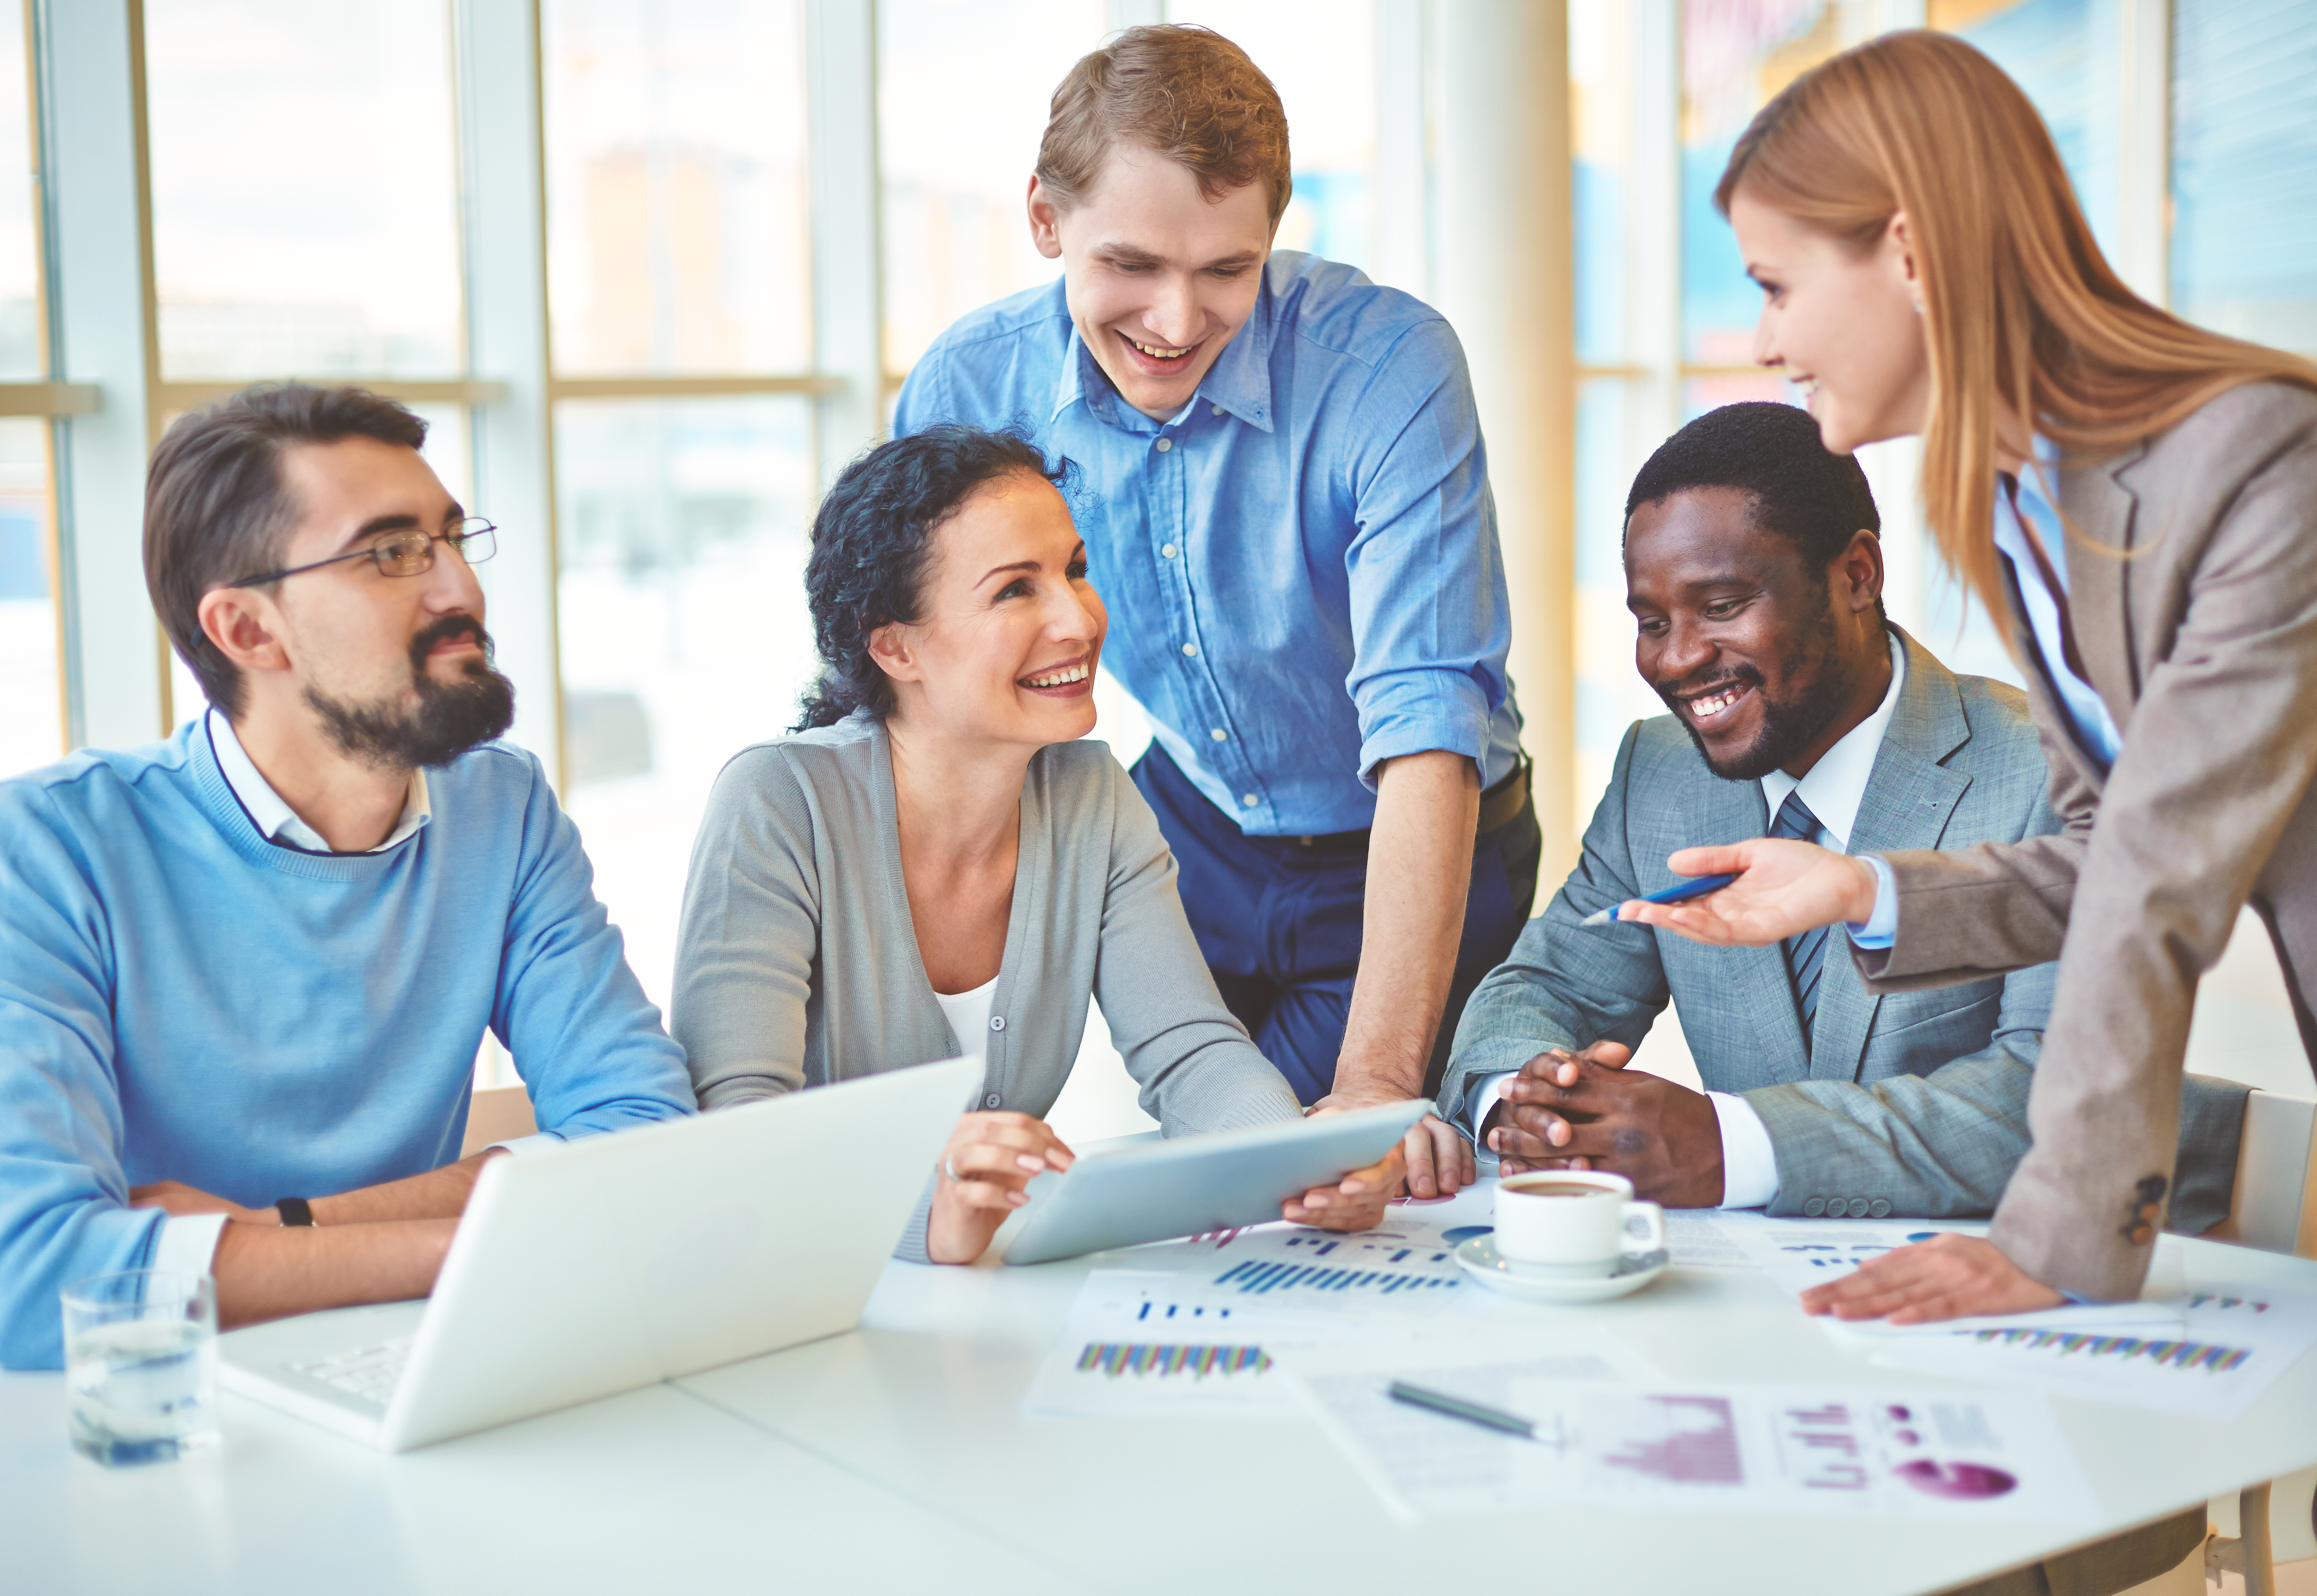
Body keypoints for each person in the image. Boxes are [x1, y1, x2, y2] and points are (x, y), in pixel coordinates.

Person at [1609, 33, 2317, 1589]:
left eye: (1775, 282)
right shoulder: (2032, 500)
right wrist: (1863, 894)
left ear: (1906, 248)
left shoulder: (2271, 461)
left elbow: (2168, 878)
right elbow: (2112, 846)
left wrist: (2051, 1237)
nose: (1765, 339)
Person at [890, 25, 1536, 1199]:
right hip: (1191, 833)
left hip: (1414, 841)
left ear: (1273, 241)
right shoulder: (967, 389)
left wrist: (1379, 1083)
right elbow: (923, 705)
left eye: (1227, 271)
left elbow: (1425, 724)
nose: (1178, 321)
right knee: (1208, 1183)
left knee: (1326, 1183)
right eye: (1132, 264)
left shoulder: (1390, 367)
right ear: (1046, 219)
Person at [0, 383, 696, 1371]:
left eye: (453, 538)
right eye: (391, 554)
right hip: (167, 1414)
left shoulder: (501, 810)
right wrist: (458, 1247)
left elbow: (648, 1134)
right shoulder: (50, 848)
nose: (461, 589)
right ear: (247, 630)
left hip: (421, 1378)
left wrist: (285, 1230)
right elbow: (33, 1279)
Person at [1439, 402, 2250, 1230]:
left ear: (1859, 575)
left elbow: (2054, 1091)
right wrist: (1527, 1103)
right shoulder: (1661, 771)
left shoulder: (2048, 769)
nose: (1677, 657)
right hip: (1774, 1298)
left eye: (1721, 606)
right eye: (1651, 622)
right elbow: (1549, 984)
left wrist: (1731, 1144)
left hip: (2028, 1276)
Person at [671, 426, 1400, 1267]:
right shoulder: (780, 802)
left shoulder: (1092, 794)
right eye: (1017, 590)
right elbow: (736, 1136)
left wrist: (1298, 1168)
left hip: (984, 1305)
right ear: (894, 646)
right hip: (800, 1298)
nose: (1078, 618)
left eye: (1076, 571)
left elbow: (1193, 1054)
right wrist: (927, 1223)